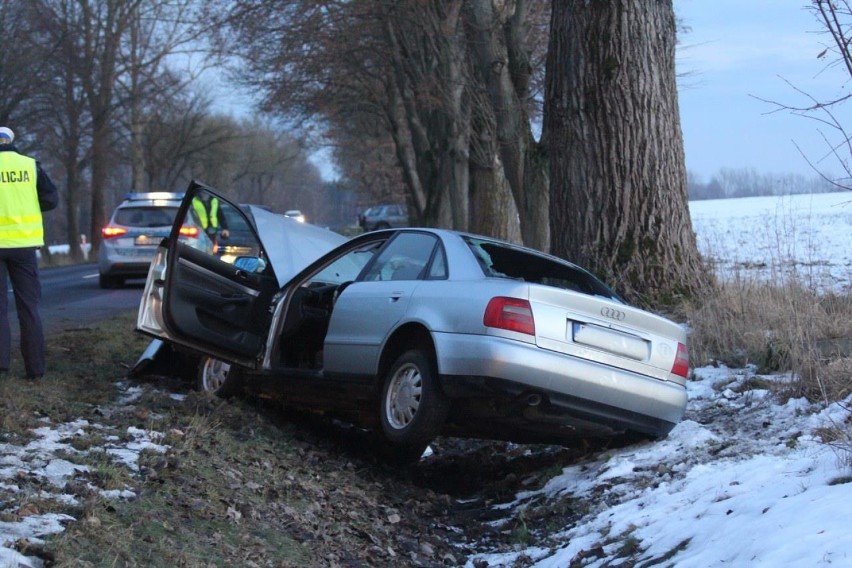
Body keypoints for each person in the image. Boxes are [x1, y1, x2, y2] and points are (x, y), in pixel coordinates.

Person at [0, 126, 58, 380]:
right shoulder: (29, 165)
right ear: (12, 141)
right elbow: (51, 200)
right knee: (28, 308)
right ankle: (35, 369)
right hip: (24, 246)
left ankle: (1, 366)